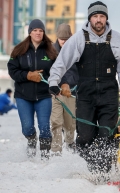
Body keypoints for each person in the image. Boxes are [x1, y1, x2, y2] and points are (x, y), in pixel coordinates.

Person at [48, 1, 120, 174]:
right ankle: (93, 166)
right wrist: (53, 81)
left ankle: (102, 171)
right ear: (90, 19)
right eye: (95, 16)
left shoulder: (117, 39)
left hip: (109, 94)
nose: (98, 20)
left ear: (106, 18)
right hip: (86, 94)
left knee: (107, 134)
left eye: (102, 16)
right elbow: (62, 62)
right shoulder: (78, 39)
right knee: (85, 136)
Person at [7, 19, 58, 160]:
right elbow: (12, 70)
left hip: (43, 95)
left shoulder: (51, 51)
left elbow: (57, 70)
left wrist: (57, 83)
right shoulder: (19, 50)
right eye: (35, 30)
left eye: (40, 30)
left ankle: (45, 158)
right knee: (27, 127)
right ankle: (31, 140)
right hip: (23, 96)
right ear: (30, 32)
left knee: (45, 128)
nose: (38, 33)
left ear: (43, 33)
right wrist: (28, 75)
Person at [50, 23, 78, 155]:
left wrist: (68, 83)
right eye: (62, 40)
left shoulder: (76, 50)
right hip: (55, 93)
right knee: (56, 121)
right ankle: (56, 150)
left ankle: (70, 143)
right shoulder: (50, 51)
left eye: (66, 40)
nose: (64, 42)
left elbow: (77, 72)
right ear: (57, 38)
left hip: (71, 93)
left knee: (70, 124)